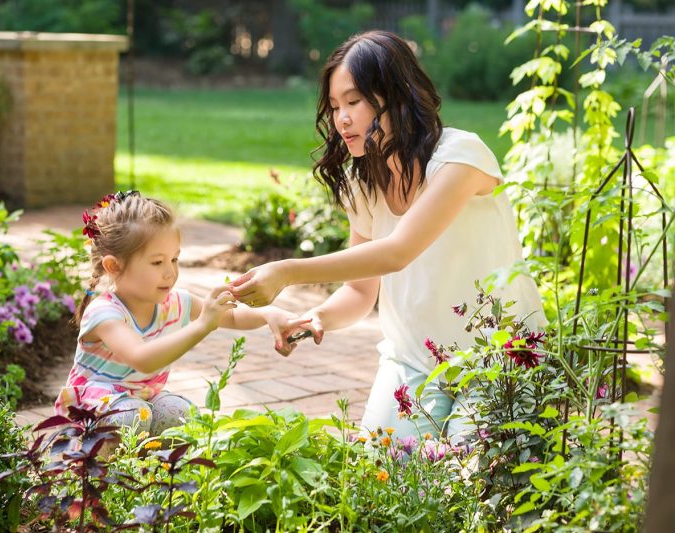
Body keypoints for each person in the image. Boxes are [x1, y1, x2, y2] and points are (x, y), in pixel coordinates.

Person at [230, 31, 545, 443]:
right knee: (381, 479)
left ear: (396, 94)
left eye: (354, 102)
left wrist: (287, 272)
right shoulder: (365, 185)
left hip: (499, 358)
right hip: (413, 362)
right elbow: (361, 293)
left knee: (466, 490)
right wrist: (319, 317)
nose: (341, 118)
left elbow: (397, 252)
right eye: (335, 106)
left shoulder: (460, 157)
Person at [55, 191, 306, 436]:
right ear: (114, 266)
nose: (170, 272)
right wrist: (201, 326)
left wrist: (268, 314)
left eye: (174, 259)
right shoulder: (105, 314)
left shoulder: (175, 302)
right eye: (157, 262)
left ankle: (157, 472)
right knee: (132, 415)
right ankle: (96, 471)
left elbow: (230, 316)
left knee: (180, 413)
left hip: (141, 400)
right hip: (91, 412)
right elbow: (142, 358)